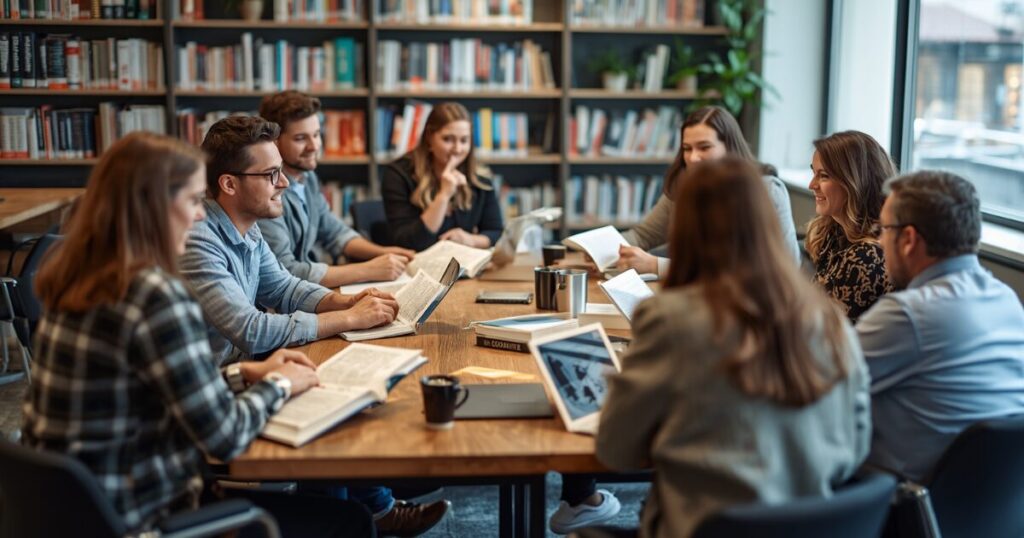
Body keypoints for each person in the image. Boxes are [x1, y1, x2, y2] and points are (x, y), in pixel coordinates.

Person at [21, 132, 375, 537]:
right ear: (153, 207)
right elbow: (226, 436)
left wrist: (243, 375)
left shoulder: (78, 281)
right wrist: (279, 384)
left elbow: (152, 388)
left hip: (70, 514)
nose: (200, 216)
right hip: (143, 518)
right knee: (350, 521)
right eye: (192, 201)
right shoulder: (154, 296)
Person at [179, 115, 449, 535]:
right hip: (213, 399)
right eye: (271, 175)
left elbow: (283, 287)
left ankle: (369, 506)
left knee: (336, 389)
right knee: (329, 398)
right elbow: (250, 329)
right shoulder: (200, 239)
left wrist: (346, 300)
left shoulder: (246, 228)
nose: (285, 183)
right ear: (229, 184)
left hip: (238, 375)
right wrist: (347, 318)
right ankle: (359, 512)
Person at [597, 157, 871, 538]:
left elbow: (615, 450)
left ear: (687, 231)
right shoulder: (829, 320)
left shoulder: (669, 319)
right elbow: (857, 446)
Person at [858, 170, 1024, 483]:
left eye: (884, 229)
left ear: (909, 239)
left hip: (901, 502)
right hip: (991, 504)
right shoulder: (1007, 300)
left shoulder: (908, 314)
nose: (879, 241)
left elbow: (815, 383)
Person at [617, 105, 800, 276]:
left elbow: (783, 267)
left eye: (704, 147)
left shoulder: (767, 191)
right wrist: (603, 249)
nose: (693, 158)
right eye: (687, 149)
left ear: (729, 147)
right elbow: (643, 236)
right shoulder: (683, 186)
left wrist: (656, 265)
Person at [258, 91, 416, 287]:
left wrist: (384, 253)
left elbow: (335, 232)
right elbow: (285, 270)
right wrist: (368, 270)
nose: (314, 146)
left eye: (316, 134)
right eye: (300, 138)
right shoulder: (267, 193)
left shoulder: (308, 177)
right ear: (274, 142)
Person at [380, 102, 504, 251]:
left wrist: (470, 240)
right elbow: (408, 242)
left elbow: (496, 232)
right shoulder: (398, 175)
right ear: (429, 138)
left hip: (461, 260)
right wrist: (444, 195)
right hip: (416, 260)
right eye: (448, 139)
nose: (457, 149)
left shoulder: (479, 176)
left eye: (464, 140)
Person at [806, 130, 894, 322]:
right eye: (814, 173)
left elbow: (828, 332)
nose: (811, 185)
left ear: (854, 182)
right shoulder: (834, 231)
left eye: (824, 176)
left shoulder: (866, 258)